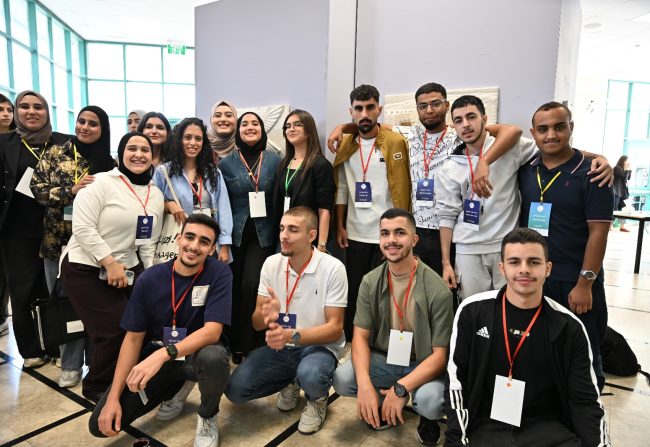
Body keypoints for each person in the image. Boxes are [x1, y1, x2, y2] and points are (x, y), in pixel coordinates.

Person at [328, 83, 523, 276]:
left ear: (446, 106)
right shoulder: (409, 134)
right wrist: (341, 127)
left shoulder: (460, 133)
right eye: (423, 106)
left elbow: (512, 131)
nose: (429, 110)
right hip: (415, 229)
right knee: (416, 286)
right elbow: (370, 125)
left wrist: (485, 161)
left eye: (435, 104)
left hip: (448, 229)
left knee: (447, 286)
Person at [445, 228, 610, 446]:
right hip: (487, 426)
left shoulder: (569, 327)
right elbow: (457, 386)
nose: (524, 269)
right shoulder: (472, 312)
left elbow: (586, 401)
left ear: (547, 269)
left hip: (547, 429)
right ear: (502, 268)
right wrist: (457, 440)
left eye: (534, 262)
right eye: (514, 262)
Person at [90, 213, 232, 447]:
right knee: (100, 426)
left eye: (204, 242)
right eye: (190, 237)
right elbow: (133, 339)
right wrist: (113, 397)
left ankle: (207, 415)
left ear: (212, 249)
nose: (194, 246)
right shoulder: (149, 279)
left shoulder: (219, 273)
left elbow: (212, 332)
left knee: (214, 358)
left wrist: (162, 355)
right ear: (178, 239)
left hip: (195, 354)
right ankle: (176, 386)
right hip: (162, 356)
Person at [334, 208, 453, 446]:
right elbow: (359, 338)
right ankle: (381, 400)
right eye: (385, 233)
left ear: (414, 240)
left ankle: (425, 416)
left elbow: (440, 357)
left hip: (422, 362)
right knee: (343, 378)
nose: (391, 240)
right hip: (387, 358)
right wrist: (365, 386)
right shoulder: (370, 281)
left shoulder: (438, 290)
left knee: (430, 402)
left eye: (400, 233)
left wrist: (401, 388)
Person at [60, 131, 164, 401]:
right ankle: (97, 387)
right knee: (114, 329)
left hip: (128, 266)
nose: (139, 154)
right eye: (132, 148)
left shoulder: (155, 194)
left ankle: (128, 377)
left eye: (145, 150)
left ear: (152, 156)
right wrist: (109, 262)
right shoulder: (101, 183)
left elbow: (148, 242)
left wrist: (148, 276)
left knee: (144, 323)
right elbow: (83, 228)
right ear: (120, 154)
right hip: (85, 266)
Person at [226, 207, 347, 434]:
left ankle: (317, 398)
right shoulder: (271, 264)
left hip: (318, 346)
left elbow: (335, 329)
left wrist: (291, 335)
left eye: (293, 230)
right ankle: (291, 379)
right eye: (282, 228)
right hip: (282, 347)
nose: (284, 235)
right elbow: (256, 324)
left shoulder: (333, 268)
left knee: (311, 374)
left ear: (311, 235)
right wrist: (266, 316)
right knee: (236, 390)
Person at [519, 102, 614, 391]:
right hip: (535, 279)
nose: (551, 135)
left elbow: (599, 233)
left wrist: (585, 283)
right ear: (533, 133)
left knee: (584, 352)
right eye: (543, 129)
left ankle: (589, 410)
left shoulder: (593, 174)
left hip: (575, 280)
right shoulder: (526, 169)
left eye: (559, 127)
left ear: (571, 128)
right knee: (539, 349)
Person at [30, 105, 115, 387]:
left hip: (94, 249)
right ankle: (70, 365)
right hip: (58, 244)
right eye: (82, 121)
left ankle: (95, 362)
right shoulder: (55, 153)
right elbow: (37, 189)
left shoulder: (110, 164)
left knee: (94, 307)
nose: (85, 127)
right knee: (65, 305)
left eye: (93, 123)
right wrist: (71, 191)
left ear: (103, 129)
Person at [436, 95, 537, 299]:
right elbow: (446, 217)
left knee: (510, 306)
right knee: (473, 308)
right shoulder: (449, 168)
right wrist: (446, 263)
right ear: (453, 126)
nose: (466, 125)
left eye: (471, 117)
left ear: (484, 119)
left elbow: (549, 147)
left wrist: (595, 158)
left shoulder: (510, 148)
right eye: (458, 120)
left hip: (506, 246)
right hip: (467, 249)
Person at [333, 84, 411, 341]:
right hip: (355, 233)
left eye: (370, 108)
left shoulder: (395, 142)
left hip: (387, 235)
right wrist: (340, 225)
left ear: (380, 109)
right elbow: (342, 187)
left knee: (387, 292)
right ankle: (355, 341)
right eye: (358, 109)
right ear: (351, 112)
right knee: (357, 290)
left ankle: (383, 342)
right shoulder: (345, 145)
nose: (364, 114)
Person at [0, 90, 69, 367]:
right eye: (25, 106)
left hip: (56, 229)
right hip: (17, 232)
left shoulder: (63, 142)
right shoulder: (5, 143)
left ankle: (57, 346)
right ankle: (30, 350)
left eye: (38, 107)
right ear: (17, 111)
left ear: (46, 112)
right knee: (23, 290)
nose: (31, 111)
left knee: (54, 289)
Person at [219, 112, 281, 362]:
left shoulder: (275, 161)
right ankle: (235, 344)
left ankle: (253, 344)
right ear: (238, 131)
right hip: (235, 235)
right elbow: (221, 202)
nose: (250, 127)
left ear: (262, 129)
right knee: (234, 287)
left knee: (251, 284)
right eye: (244, 124)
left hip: (263, 235)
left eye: (255, 123)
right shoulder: (225, 164)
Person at [153, 117, 233, 263]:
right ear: (179, 140)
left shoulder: (213, 172)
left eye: (198, 139)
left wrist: (224, 245)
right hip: (177, 243)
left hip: (208, 243)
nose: (193, 143)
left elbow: (224, 208)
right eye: (187, 137)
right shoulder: (163, 172)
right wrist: (168, 205)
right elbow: (151, 206)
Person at [272, 109, 335, 251]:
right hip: (284, 237)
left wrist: (321, 245)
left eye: (297, 124)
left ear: (309, 130)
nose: (291, 129)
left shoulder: (320, 165)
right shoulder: (283, 164)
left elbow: (324, 210)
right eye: (287, 126)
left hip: (308, 240)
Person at [0, 93, 15, 337]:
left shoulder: (17, 143)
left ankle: (2, 316)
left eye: (8, 110)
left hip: (12, 216)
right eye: (0, 110)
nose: (5, 114)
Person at [612, 155, 631, 232]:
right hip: (617, 191)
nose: (628, 162)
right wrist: (627, 170)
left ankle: (622, 226)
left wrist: (628, 170)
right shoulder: (617, 168)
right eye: (627, 161)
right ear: (623, 161)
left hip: (623, 192)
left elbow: (628, 178)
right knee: (614, 209)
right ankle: (610, 225)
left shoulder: (624, 169)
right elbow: (624, 178)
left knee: (623, 209)